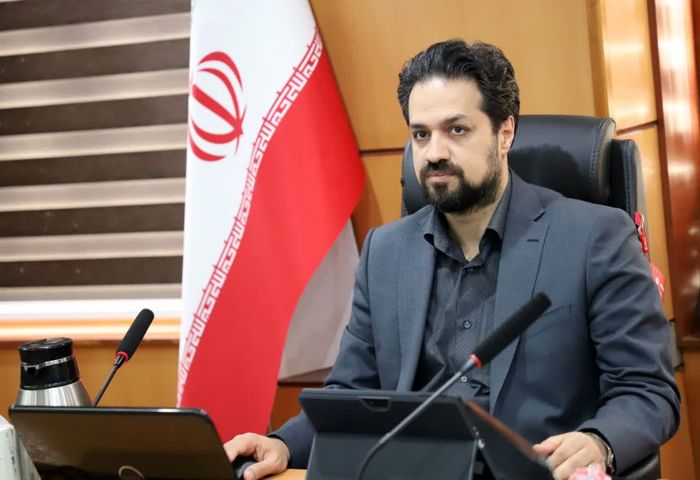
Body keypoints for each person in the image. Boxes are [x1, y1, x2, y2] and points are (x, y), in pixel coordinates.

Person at [224, 39, 680, 480]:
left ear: (505, 133)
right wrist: (282, 444)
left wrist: (598, 441)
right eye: (421, 134)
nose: (434, 153)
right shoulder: (385, 252)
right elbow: (352, 395)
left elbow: (648, 390)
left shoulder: (594, 237)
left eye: (456, 130)